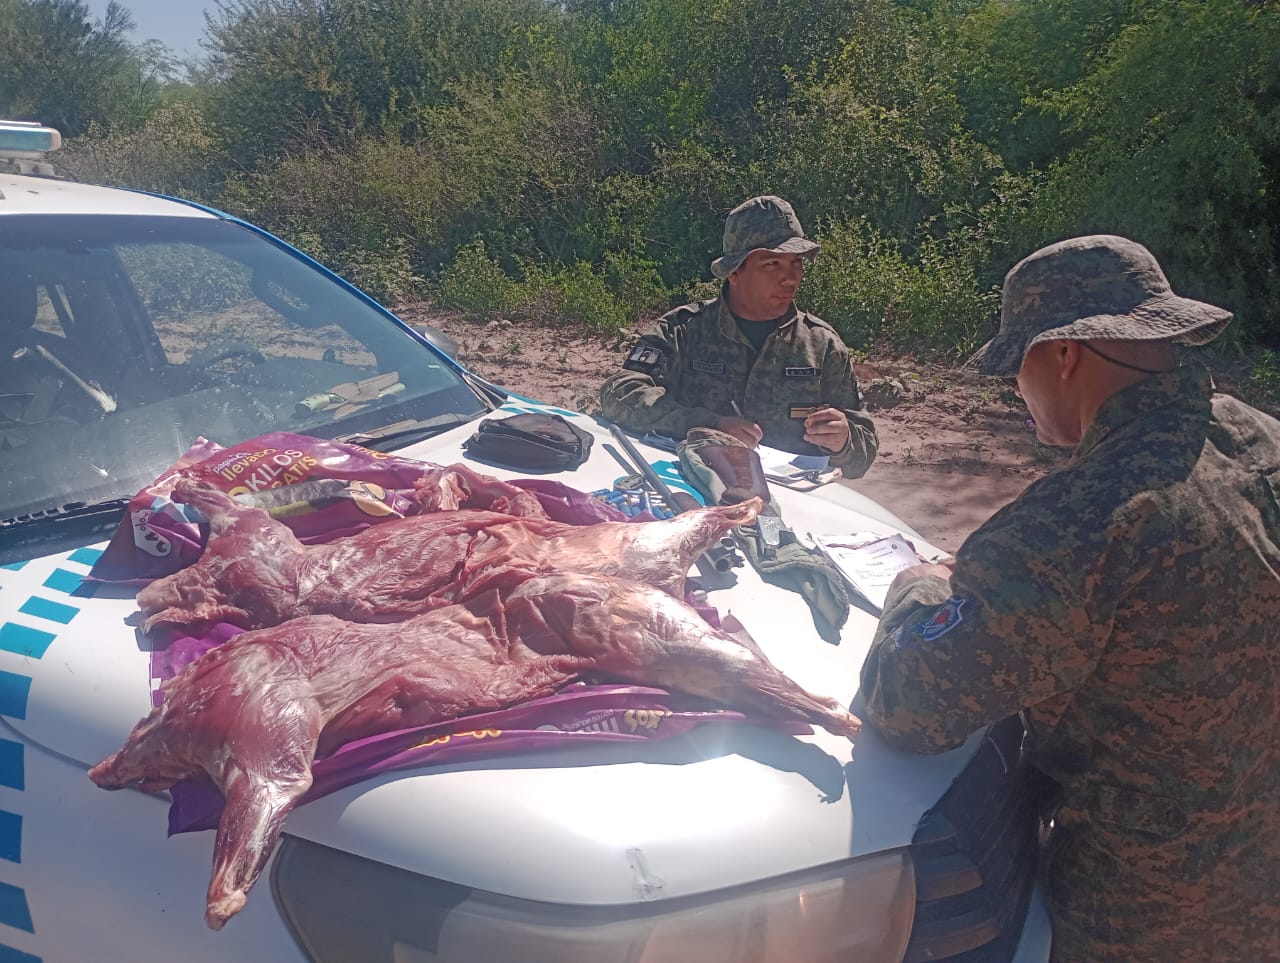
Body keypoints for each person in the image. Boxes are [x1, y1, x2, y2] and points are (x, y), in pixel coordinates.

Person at [858, 234, 1280, 962]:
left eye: (1014, 366)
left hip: (1146, 924)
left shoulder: (1074, 522)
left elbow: (909, 702)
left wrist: (919, 587)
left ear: (1064, 354)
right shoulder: (1259, 441)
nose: (1013, 391)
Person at [599, 195, 877, 478]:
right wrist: (708, 425)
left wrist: (844, 440)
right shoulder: (683, 331)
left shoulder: (822, 346)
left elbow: (864, 452)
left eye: (796, 263)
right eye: (772, 265)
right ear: (734, 272)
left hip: (796, 504)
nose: (790, 278)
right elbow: (618, 396)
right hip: (699, 488)